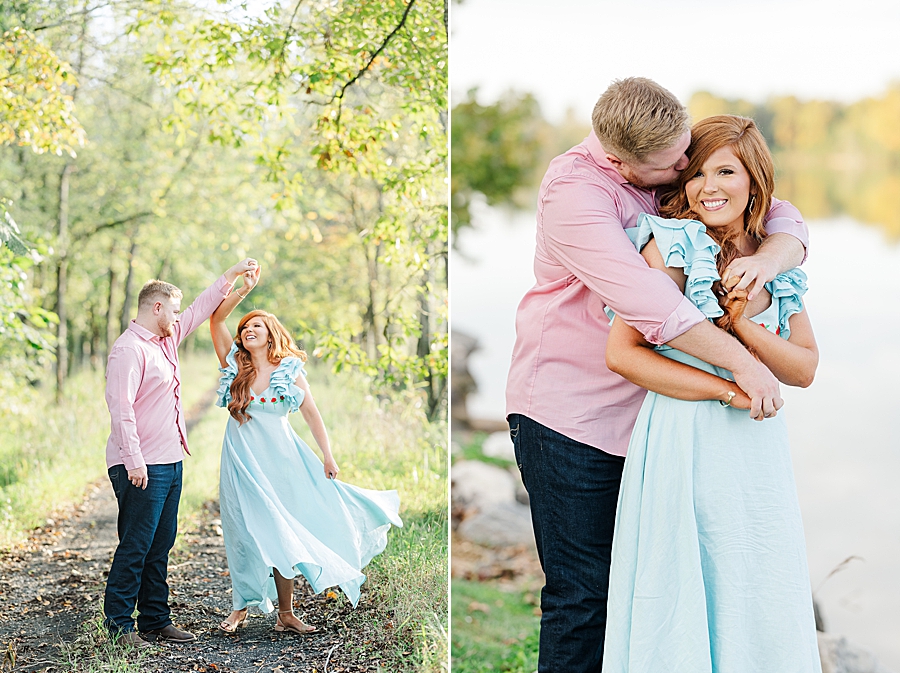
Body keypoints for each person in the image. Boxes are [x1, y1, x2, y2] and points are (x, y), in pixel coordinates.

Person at [505, 78, 809, 672]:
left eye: (687, 159)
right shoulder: (574, 196)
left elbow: (777, 210)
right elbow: (654, 307)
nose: (685, 175)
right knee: (584, 596)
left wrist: (769, 258)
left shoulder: (667, 163)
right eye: (675, 166)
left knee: (651, 593)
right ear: (619, 160)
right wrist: (743, 366)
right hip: (572, 417)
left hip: (656, 425)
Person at [602, 114, 821, 672]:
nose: (709, 186)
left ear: (755, 182)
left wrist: (744, 324)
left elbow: (803, 369)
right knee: (685, 575)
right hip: (685, 435)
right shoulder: (673, 245)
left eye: (726, 171)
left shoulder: (777, 257)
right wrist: (727, 388)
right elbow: (623, 353)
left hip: (756, 447)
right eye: (697, 173)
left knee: (754, 576)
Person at [208, 268, 402, 635]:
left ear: (271, 336)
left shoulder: (289, 370)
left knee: (282, 528)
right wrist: (243, 289)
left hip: (281, 458)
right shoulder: (235, 365)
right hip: (240, 458)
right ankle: (240, 608)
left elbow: (311, 413)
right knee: (242, 530)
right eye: (245, 328)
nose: (248, 331)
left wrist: (328, 455)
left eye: (257, 328)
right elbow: (217, 318)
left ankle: (285, 614)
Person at [104, 258, 259, 648]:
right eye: (173, 309)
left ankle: (155, 620)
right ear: (156, 307)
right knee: (136, 545)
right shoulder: (128, 350)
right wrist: (134, 459)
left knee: (161, 544)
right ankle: (119, 628)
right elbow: (120, 408)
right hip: (140, 464)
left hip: (171, 459)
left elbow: (201, 309)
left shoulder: (167, 337)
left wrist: (232, 277)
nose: (179, 316)